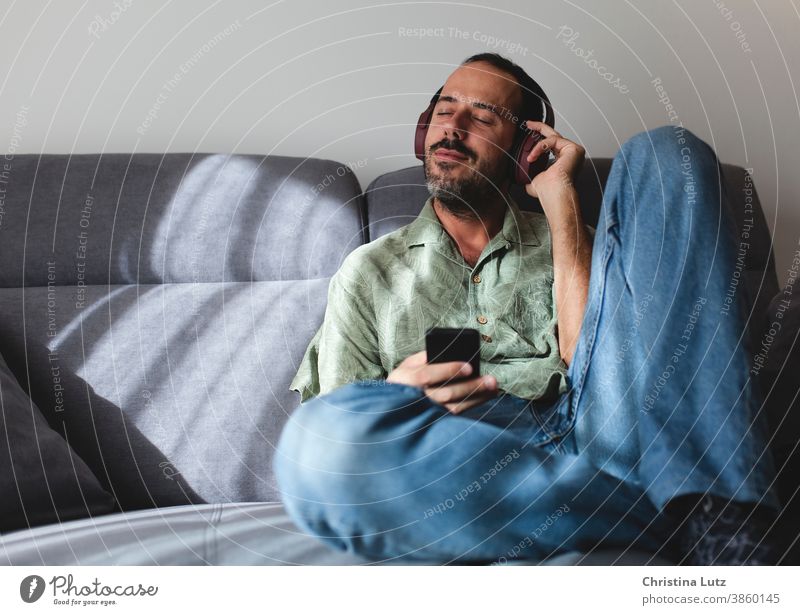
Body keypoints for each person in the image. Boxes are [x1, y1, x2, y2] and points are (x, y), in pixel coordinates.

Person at [275, 52, 783, 565]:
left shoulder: (578, 245)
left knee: (668, 150)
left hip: (597, 436)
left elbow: (600, 362)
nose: (452, 128)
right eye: (444, 110)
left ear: (523, 151)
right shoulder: (369, 271)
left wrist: (559, 199)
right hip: (469, 466)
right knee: (317, 451)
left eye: (481, 117)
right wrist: (395, 396)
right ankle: (663, 517)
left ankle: (723, 521)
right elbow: (340, 418)